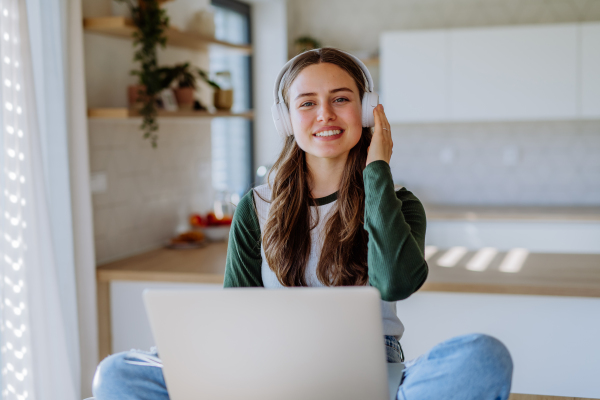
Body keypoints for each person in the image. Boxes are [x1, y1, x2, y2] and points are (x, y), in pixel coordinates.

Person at [92, 48, 513, 400]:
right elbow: (237, 314)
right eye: (307, 102)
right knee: (119, 374)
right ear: (286, 119)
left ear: (367, 110)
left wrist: (377, 169)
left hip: (367, 369)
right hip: (271, 368)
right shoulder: (255, 207)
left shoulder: (399, 203)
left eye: (341, 99)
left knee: (482, 356)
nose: (325, 114)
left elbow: (395, 284)